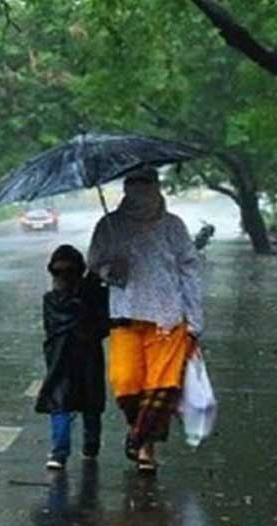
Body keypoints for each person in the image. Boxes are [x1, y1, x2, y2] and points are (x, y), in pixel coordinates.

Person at [87, 166, 203, 474]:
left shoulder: (173, 226)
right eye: (133, 182)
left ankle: (143, 445)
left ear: (156, 185)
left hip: (168, 317)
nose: (139, 188)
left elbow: (189, 271)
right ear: (125, 187)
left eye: (146, 182)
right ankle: (138, 431)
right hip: (125, 315)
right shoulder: (109, 225)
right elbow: (94, 261)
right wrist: (109, 271)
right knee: (126, 384)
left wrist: (194, 319)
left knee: (160, 388)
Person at [36, 244, 110, 470]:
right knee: (71, 402)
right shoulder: (58, 299)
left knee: (78, 402)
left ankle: (79, 447)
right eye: (58, 272)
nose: (62, 276)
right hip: (69, 357)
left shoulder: (90, 294)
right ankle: (71, 449)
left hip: (75, 357)